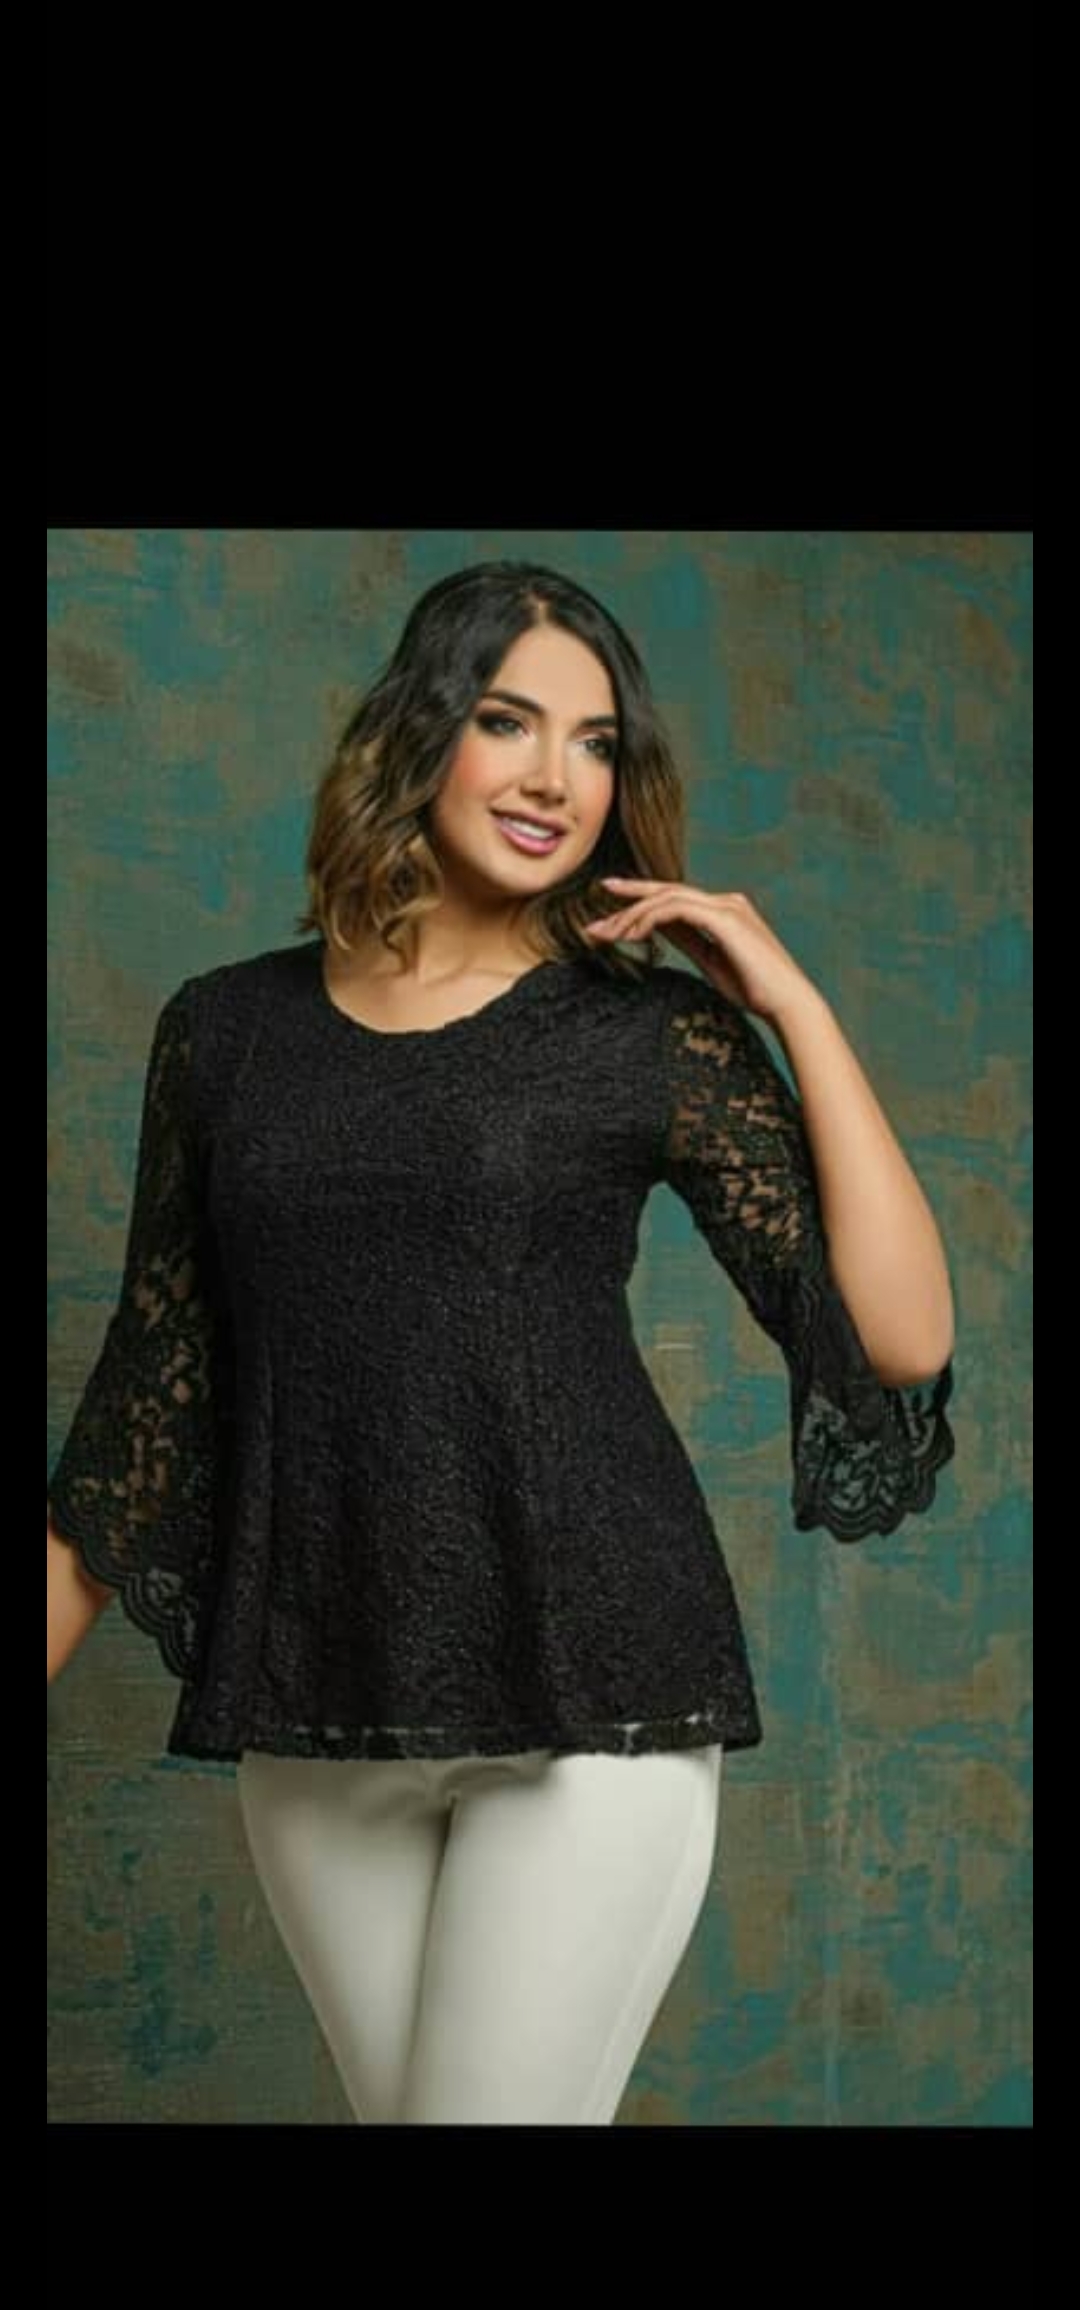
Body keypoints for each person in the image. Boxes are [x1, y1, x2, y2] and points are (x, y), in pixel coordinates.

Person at [47, 558, 957, 2126]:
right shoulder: (225, 1032)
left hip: (594, 1685)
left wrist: (797, 1010)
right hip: (319, 1689)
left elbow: (898, 1336)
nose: (555, 779)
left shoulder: (645, 1034)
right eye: (509, 721)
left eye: (596, 743)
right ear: (419, 730)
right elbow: (144, 1407)